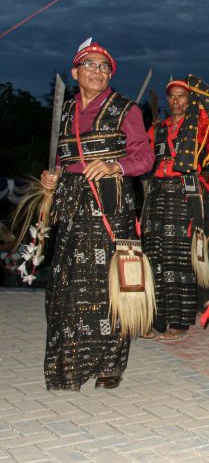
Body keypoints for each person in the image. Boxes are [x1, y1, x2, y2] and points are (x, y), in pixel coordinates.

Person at [39, 40, 154, 390]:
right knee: (68, 284)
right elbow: (60, 158)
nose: (98, 72)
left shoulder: (126, 110)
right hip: (72, 207)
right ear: (75, 72)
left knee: (112, 286)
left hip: (110, 206)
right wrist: (51, 176)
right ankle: (69, 363)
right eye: (90, 65)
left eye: (104, 68)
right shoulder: (65, 110)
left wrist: (114, 164)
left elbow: (145, 159)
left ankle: (110, 365)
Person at [142, 78, 209, 340]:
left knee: (179, 259)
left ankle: (178, 322)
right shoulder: (157, 129)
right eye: (173, 96)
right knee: (154, 257)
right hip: (157, 195)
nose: (176, 101)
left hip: (184, 195)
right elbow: (142, 156)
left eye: (182, 96)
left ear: (190, 100)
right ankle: (155, 321)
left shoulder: (200, 127)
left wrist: (197, 87)